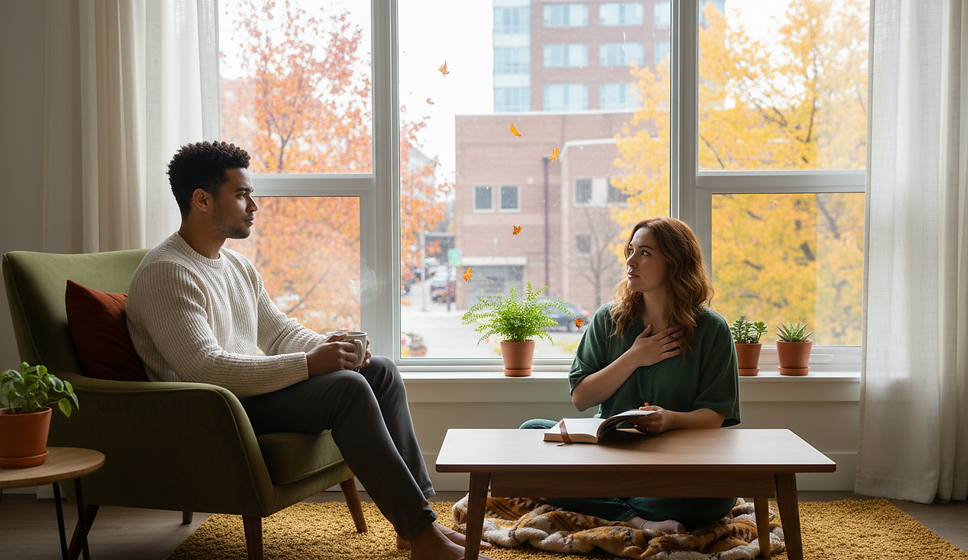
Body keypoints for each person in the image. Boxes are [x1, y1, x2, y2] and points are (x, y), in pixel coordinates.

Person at [126, 141, 493, 560]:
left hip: (246, 397)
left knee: (381, 372)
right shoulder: (166, 272)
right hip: (209, 410)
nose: (254, 205)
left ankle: (417, 523)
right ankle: (424, 539)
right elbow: (206, 367)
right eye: (242, 194)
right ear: (202, 200)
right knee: (347, 391)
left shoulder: (236, 266)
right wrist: (308, 364)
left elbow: (278, 331)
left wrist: (328, 347)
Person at [521, 216, 740, 535]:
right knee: (529, 433)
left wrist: (669, 419)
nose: (630, 261)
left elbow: (715, 416)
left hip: (678, 461)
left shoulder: (712, 329)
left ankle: (597, 499)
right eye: (631, 250)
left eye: (645, 253)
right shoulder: (606, 319)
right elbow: (581, 398)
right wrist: (635, 357)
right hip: (607, 454)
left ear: (675, 263)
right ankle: (637, 518)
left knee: (712, 500)